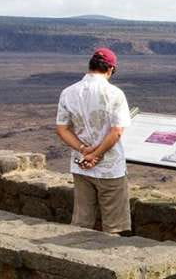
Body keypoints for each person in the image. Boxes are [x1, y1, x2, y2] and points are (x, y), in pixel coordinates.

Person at [55, 48, 133, 235]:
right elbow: (116, 132)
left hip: (81, 165)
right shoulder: (114, 94)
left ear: (90, 66)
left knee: (82, 222)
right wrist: (96, 155)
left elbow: (62, 129)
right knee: (115, 226)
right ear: (110, 69)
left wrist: (84, 151)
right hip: (110, 168)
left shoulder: (68, 92)